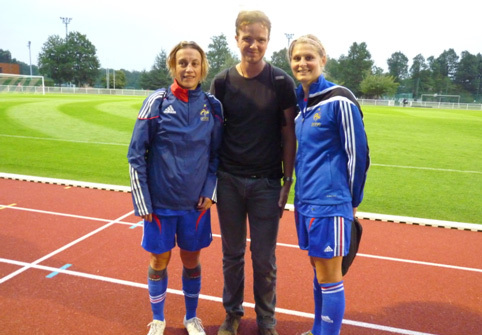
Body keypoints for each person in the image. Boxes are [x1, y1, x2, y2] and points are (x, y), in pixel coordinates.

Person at [210, 10, 297, 335]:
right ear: (237, 38)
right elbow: (213, 134)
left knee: (264, 259)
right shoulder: (221, 82)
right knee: (231, 255)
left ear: (268, 41)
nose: (254, 45)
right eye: (248, 38)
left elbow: (289, 134)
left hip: (266, 185)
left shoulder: (280, 82)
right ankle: (232, 314)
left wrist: (287, 182)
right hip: (229, 182)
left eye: (260, 39)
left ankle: (266, 321)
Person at [127, 41, 223, 335]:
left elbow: (217, 155)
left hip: (194, 206)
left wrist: (211, 191)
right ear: (173, 66)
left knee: (191, 260)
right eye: (183, 63)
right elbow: (135, 154)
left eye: (194, 63)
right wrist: (142, 202)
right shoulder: (156, 101)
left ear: (202, 67)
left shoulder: (212, 106)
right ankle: (158, 319)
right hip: (160, 204)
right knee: (159, 259)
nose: (189, 68)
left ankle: (191, 317)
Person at [288, 34, 370, 335]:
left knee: (330, 275)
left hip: (331, 202)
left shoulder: (340, 99)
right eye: (296, 58)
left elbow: (358, 153)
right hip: (306, 201)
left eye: (309, 57)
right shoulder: (302, 105)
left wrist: (352, 199)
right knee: (318, 269)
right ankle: (316, 330)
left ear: (323, 60)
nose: (302, 63)